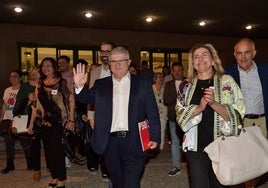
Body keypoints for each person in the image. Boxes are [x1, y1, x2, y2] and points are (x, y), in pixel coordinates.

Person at [74, 46, 161, 188]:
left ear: (129, 62)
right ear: (109, 64)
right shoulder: (101, 85)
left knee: (131, 183)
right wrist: (79, 86)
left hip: (135, 141)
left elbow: (152, 113)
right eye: (113, 61)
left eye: (122, 60)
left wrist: (155, 137)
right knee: (118, 183)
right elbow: (85, 98)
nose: (118, 64)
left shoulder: (142, 84)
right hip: (110, 144)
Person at [176, 43, 245, 188]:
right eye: (196, 57)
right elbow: (180, 115)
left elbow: (238, 114)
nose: (200, 59)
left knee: (219, 185)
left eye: (204, 55)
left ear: (213, 60)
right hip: (196, 147)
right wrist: (199, 108)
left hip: (222, 146)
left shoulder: (227, 81)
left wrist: (214, 103)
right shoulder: (186, 85)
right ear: (192, 63)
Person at [225, 38, 268, 188]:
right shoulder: (228, 74)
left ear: (254, 53)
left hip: (263, 122)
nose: (243, 57)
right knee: (244, 162)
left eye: (247, 52)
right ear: (235, 54)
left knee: (263, 159)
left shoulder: (265, 71)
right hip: (242, 123)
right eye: (239, 53)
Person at [28, 57, 75, 188]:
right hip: (44, 122)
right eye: (43, 66)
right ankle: (54, 176)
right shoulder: (40, 84)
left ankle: (61, 178)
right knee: (49, 151)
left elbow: (71, 101)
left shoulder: (61, 83)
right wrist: (31, 123)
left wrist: (71, 120)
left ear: (54, 67)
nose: (45, 68)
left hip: (59, 122)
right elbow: (35, 105)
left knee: (57, 150)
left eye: (48, 65)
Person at [13, 66, 48, 182]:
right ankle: (37, 170)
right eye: (40, 71)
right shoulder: (26, 86)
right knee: (34, 147)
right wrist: (28, 100)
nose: (44, 72)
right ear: (34, 73)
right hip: (31, 121)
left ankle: (50, 167)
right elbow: (16, 109)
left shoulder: (45, 84)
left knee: (49, 146)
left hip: (45, 119)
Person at [87, 41, 115, 180]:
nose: (104, 54)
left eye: (107, 51)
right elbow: (90, 97)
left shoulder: (119, 69)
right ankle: (105, 169)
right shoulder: (95, 72)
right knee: (102, 142)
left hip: (117, 114)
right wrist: (91, 117)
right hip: (100, 115)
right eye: (102, 51)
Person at [0, 70, 33, 174]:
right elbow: (5, 105)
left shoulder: (24, 89)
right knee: (9, 143)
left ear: (20, 78)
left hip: (20, 118)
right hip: (7, 119)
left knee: (24, 142)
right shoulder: (7, 90)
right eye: (11, 76)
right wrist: (1, 117)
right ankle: (10, 165)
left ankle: (30, 163)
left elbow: (28, 104)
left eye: (15, 76)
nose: (12, 78)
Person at [163, 62, 185, 176]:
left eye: (179, 70)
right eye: (174, 71)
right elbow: (166, 100)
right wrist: (180, 99)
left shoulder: (188, 83)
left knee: (188, 142)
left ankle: (194, 165)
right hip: (173, 117)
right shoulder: (168, 84)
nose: (176, 73)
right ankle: (176, 166)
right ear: (172, 72)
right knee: (175, 142)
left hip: (188, 118)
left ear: (183, 71)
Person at [152, 73, 167, 150]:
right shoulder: (151, 88)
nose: (160, 79)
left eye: (161, 77)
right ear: (155, 79)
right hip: (153, 111)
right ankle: (154, 145)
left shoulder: (165, 88)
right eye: (158, 77)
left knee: (162, 129)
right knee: (154, 129)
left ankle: (160, 147)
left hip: (163, 112)